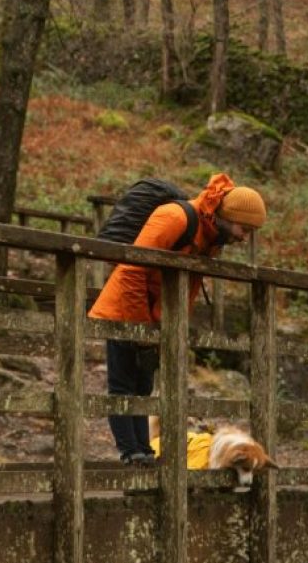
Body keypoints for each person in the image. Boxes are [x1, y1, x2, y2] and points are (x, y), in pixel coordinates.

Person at [88, 173, 267, 466]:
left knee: (144, 386)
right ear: (226, 215)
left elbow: (188, 288)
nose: (243, 236)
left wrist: (170, 327)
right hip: (126, 308)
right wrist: (139, 329)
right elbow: (132, 268)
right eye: (243, 228)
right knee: (122, 385)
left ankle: (145, 451)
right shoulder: (175, 217)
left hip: (156, 317)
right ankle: (131, 454)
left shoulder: (212, 239)